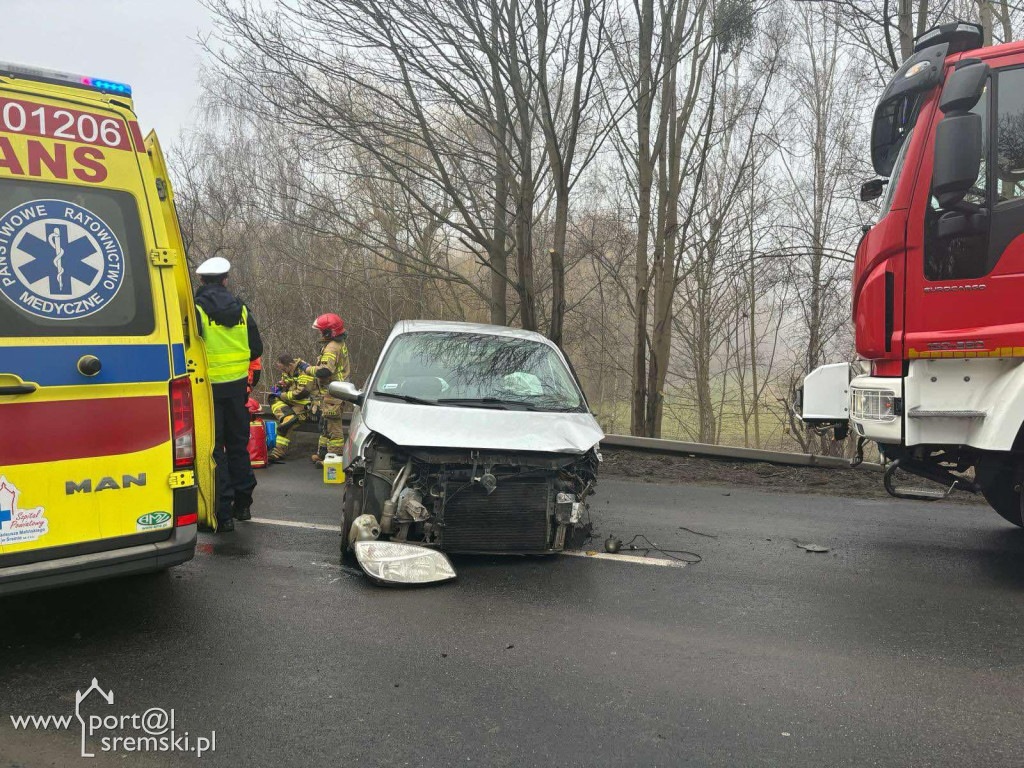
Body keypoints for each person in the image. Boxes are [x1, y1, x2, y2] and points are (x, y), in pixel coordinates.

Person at [194, 256, 263, 533]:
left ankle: (223, 515)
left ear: (201, 281)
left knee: (214, 450)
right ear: (225, 280)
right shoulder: (242, 310)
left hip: (207, 390)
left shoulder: (195, 309)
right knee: (238, 446)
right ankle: (243, 503)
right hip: (237, 389)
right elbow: (256, 350)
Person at [309, 313, 350, 464]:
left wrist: (308, 369)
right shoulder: (337, 343)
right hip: (331, 392)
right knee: (326, 424)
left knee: (333, 427)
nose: (320, 334)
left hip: (334, 393)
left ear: (329, 332)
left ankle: (334, 459)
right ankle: (323, 454)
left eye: (322, 331)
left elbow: (325, 371)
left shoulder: (332, 347)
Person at [269, 353, 314, 462]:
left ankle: (277, 453)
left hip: (304, 404)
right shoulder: (288, 369)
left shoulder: (304, 370)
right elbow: (287, 381)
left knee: (286, 426)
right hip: (292, 402)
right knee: (272, 398)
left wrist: (282, 395)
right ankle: (286, 416)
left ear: (289, 365)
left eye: (283, 369)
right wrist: (280, 386)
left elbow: (301, 393)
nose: (283, 372)